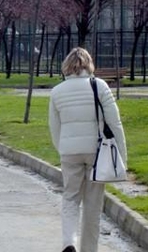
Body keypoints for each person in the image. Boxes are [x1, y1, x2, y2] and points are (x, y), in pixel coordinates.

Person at [49, 47, 127, 252]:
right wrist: (122, 157)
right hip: (97, 153)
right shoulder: (100, 86)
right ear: (88, 64)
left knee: (70, 198)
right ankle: (89, 249)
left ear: (66, 65)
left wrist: (62, 149)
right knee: (93, 205)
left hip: (69, 152)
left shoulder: (57, 91)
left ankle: (69, 242)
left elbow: (54, 127)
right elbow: (115, 123)